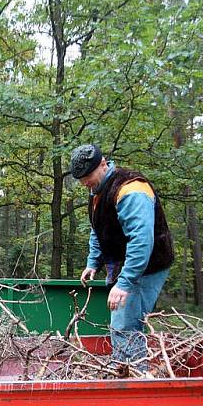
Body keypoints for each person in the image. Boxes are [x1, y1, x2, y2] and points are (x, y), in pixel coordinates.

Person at [71, 144, 174, 369]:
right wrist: (93, 261)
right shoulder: (98, 190)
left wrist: (124, 283)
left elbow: (141, 241)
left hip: (147, 264)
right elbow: (98, 228)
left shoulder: (131, 189)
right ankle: (123, 370)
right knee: (123, 322)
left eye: (87, 176)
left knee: (125, 325)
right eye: (80, 179)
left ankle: (134, 380)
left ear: (103, 163)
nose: (84, 182)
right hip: (125, 262)